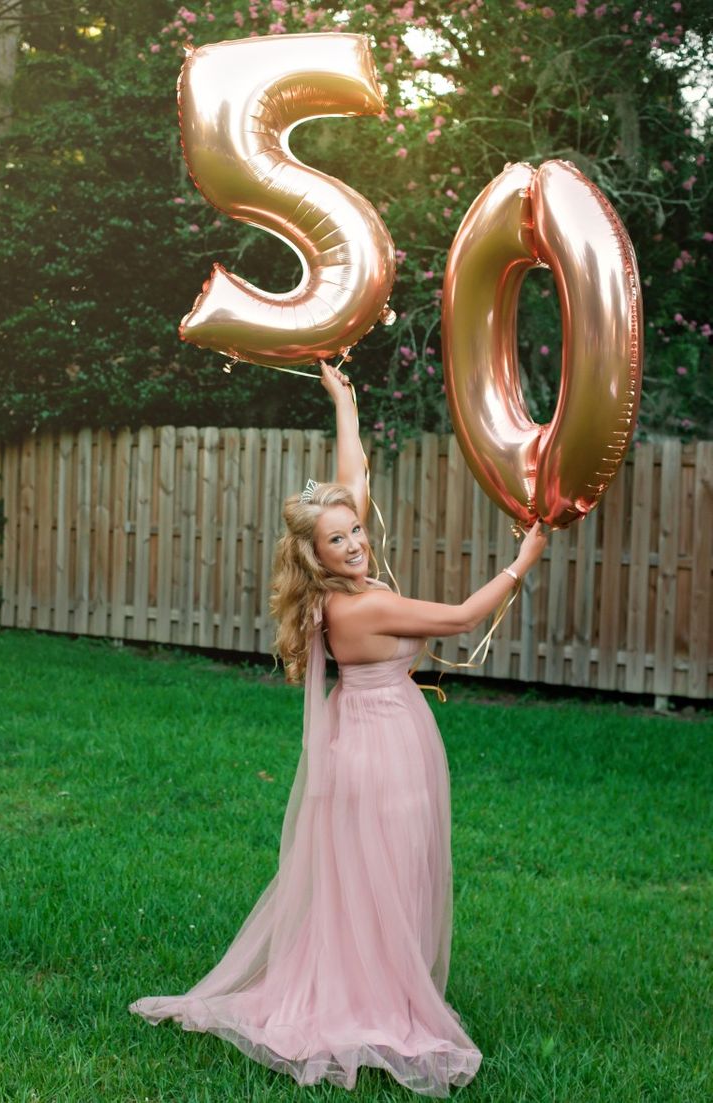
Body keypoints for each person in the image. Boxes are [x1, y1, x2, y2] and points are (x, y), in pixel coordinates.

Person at [129, 362, 548, 1097]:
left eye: (355, 530)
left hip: (380, 731)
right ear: (315, 557)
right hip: (378, 746)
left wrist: (344, 404)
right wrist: (523, 560)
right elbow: (455, 619)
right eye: (339, 539)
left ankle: (383, 981)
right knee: (381, 872)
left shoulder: (342, 579)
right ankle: (373, 1000)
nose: (356, 542)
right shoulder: (356, 608)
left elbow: (350, 475)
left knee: (377, 874)